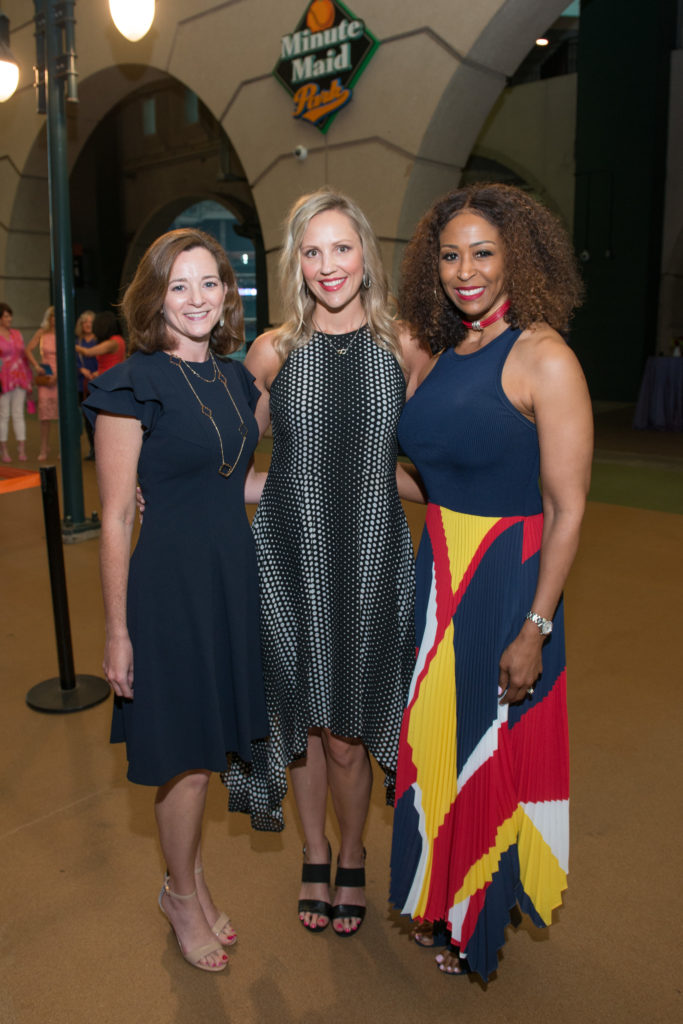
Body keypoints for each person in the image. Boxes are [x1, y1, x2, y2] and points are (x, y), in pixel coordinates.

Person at [389, 183, 593, 981]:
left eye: (482, 252)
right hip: (436, 578)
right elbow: (436, 483)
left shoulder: (543, 354)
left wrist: (534, 629)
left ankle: (477, 916)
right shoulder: (444, 353)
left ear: (518, 256)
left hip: (509, 586)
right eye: (449, 254)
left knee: (491, 749)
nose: (464, 270)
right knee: (439, 742)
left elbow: (566, 507)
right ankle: (444, 894)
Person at [225, 188, 428, 937]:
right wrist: (180, 494)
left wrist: (452, 497)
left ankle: (352, 852)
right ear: (295, 264)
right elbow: (235, 462)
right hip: (285, 558)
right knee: (301, 723)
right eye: (312, 251)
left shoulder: (403, 346)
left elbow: (420, 462)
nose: (327, 264)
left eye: (340, 247)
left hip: (374, 560)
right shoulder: (274, 351)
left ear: (365, 255)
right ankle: (313, 852)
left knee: (348, 732)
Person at [83, 228, 269, 973]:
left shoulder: (236, 382)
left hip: (228, 579)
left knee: (210, 748)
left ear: (227, 292)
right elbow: (118, 516)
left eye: (209, 282)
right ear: (155, 297)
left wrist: (312, 486)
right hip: (166, 592)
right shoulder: (131, 382)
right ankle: (181, 893)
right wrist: (118, 632)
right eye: (178, 285)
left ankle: (186, 879)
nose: (196, 298)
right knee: (184, 759)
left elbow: (236, 482)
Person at [0, 302, 33, 462]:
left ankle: (22, 448)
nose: (9, 319)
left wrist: (28, 379)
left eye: (9, 315)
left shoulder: (17, 334)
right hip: (3, 379)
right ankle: (4, 450)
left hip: (19, 377)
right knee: (4, 414)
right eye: (5, 316)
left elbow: (23, 357)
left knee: (19, 413)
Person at [26, 306, 58, 460]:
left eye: (56, 317)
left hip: (59, 376)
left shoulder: (63, 334)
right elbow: (28, 350)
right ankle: (44, 448)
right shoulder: (42, 333)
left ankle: (61, 448)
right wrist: (37, 366)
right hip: (45, 376)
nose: (53, 320)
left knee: (60, 415)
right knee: (44, 415)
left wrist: (58, 376)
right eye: (51, 317)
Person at [74, 310, 98, 459]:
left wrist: (96, 372)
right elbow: (72, 360)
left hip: (96, 381)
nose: (88, 325)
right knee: (86, 418)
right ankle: (92, 448)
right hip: (81, 383)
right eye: (85, 322)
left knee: (98, 418)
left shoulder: (99, 340)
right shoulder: (77, 341)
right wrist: (80, 369)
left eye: (90, 322)